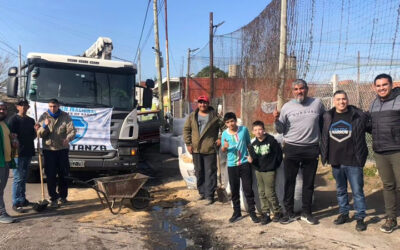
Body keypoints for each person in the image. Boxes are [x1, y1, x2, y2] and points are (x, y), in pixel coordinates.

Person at [273, 79, 325, 225]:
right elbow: (280, 130)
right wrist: (276, 120)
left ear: (307, 89)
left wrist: (323, 144)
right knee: (290, 182)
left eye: (301, 88)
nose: (299, 91)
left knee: (308, 183)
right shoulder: (286, 107)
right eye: (295, 89)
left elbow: (324, 122)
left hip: (311, 148)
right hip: (291, 148)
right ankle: (289, 212)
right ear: (292, 91)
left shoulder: (318, 103)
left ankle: (306, 213)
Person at [320, 90, 368, 231]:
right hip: (336, 161)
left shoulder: (358, 115)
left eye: (344, 99)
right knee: (341, 190)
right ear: (334, 101)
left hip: (354, 161)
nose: (341, 102)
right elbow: (323, 135)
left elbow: (371, 128)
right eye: (338, 99)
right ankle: (344, 213)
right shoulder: (328, 116)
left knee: (357, 191)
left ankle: (360, 217)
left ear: (347, 100)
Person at [368, 73, 400, 233]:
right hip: (380, 151)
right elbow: (371, 126)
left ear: (391, 85)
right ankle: (391, 218)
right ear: (375, 87)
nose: (381, 88)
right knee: (388, 185)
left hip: (397, 150)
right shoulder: (373, 104)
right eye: (378, 85)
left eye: (384, 85)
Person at [183, 96, 224, 205]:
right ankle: (202, 193)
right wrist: (188, 143)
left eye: (204, 103)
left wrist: (220, 139)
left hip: (209, 148)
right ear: (198, 104)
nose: (202, 105)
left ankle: (210, 195)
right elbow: (186, 129)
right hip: (196, 149)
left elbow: (224, 128)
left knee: (210, 172)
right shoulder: (192, 116)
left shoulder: (215, 116)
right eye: (200, 102)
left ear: (208, 103)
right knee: (199, 171)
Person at [36, 99, 76, 208]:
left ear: (58, 106)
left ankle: (63, 196)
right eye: (50, 106)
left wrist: (68, 138)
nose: (52, 108)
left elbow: (72, 130)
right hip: (49, 150)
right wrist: (44, 126)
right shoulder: (44, 116)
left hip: (62, 150)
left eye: (54, 106)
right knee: (50, 175)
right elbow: (39, 134)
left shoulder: (65, 116)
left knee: (64, 174)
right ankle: (53, 198)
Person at [221, 112, 259, 223]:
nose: (230, 124)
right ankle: (237, 212)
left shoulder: (244, 130)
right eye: (227, 122)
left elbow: (249, 144)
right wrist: (224, 147)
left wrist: (251, 156)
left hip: (244, 163)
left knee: (248, 189)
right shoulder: (224, 134)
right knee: (234, 190)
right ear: (225, 124)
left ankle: (252, 212)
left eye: (232, 121)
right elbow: (223, 150)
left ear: (235, 120)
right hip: (232, 165)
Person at [247, 120, 283, 225]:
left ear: (264, 130)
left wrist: (274, 166)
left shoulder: (271, 141)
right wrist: (252, 161)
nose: (258, 132)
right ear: (253, 131)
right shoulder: (253, 144)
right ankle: (266, 213)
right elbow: (254, 158)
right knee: (261, 193)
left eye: (260, 129)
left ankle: (277, 212)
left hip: (269, 171)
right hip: (259, 171)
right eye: (255, 130)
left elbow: (279, 154)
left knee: (269, 192)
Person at [8, 99, 36, 213]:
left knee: (24, 177)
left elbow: (33, 136)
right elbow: (10, 135)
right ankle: (16, 202)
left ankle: (23, 199)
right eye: (21, 106)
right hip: (17, 152)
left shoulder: (31, 120)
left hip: (28, 151)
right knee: (17, 177)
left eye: (25, 105)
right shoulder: (13, 120)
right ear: (17, 107)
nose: (23, 107)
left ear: (28, 107)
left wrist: (36, 130)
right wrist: (14, 143)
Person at [0, 102, 16, 223]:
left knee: (2, 188)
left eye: (4, 109)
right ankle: (1, 213)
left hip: (5, 161)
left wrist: (13, 141)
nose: (2, 111)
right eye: (0, 109)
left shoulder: (4, 124)